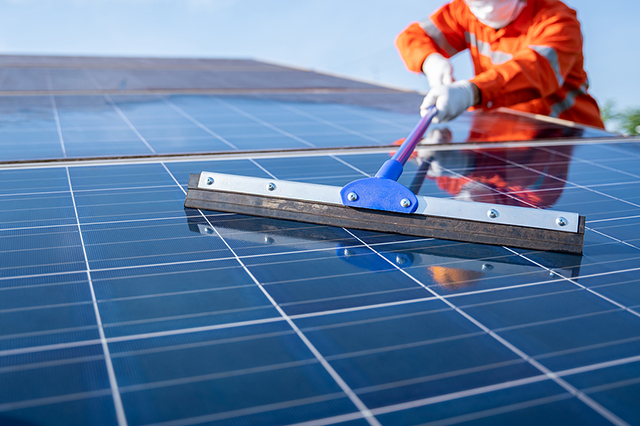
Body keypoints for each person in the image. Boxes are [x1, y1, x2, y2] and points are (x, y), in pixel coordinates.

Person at [396, 0, 604, 128]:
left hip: (570, 137)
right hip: (502, 138)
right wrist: (430, 61)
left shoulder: (557, 20)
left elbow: (536, 69)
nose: (485, 6)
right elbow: (413, 37)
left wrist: (472, 92)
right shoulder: (464, 11)